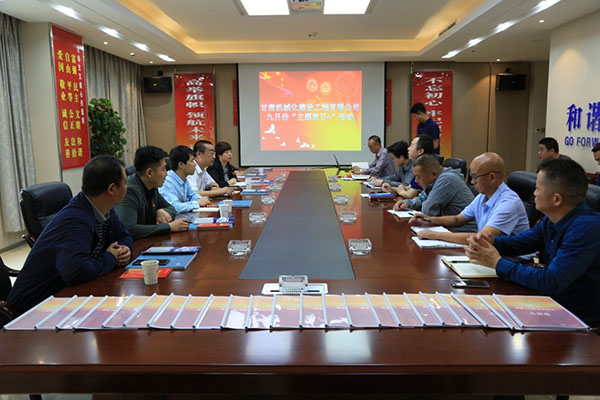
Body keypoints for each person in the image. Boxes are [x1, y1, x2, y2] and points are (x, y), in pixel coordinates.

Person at [466, 159, 600, 324]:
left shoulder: (586, 228)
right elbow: (520, 243)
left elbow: (551, 281)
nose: (533, 194)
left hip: (577, 321)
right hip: (550, 305)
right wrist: (490, 241)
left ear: (556, 199)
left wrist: (497, 263)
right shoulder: (552, 220)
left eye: (537, 188)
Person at [5, 155, 133, 319]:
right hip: (35, 309)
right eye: (125, 183)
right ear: (111, 189)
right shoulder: (76, 221)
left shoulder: (104, 209)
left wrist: (124, 249)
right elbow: (75, 271)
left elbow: (124, 235)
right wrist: (111, 257)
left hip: (67, 298)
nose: (127, 188)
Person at [411, 153, 529, 244]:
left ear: (492, 177)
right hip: (490, 253)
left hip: (512, 261)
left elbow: (482, 238)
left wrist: (436, 235)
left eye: (475, 177)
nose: (472, 182)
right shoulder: (482, 196)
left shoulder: (508, 203)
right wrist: (428, 219)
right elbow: (457, 219)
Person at [115, 146, 189, 240]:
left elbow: (171, 208)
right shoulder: (129, 191)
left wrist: (161, 211)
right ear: (149, 173)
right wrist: (169, 227)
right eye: (163, 169)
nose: (166, 174)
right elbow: (129, 229)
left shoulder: (152, 187)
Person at [397, 154, 477, 232]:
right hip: (449, 227)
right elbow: (422, 197)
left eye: (419, 177)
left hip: (464, 230)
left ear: (433, 174)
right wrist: (408, 203)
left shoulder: (446, 179)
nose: (416, 181)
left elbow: (428, 211)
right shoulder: (434, 179)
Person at [160, 145, 212, 213]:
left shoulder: (183, 179)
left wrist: (200, 199)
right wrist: (197, 203)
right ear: (181, 164)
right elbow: (174, 207)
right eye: (192, 161)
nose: (195, 164)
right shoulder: (167, 182)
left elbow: (192, 195)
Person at [391, 135, 436, 205]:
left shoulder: (424, 167)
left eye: (411, 146)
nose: (408, 149)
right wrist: (392, 189)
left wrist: (400, 191)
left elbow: (410, 194)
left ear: (420, 151)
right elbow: (409, 187)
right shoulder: (419, 165)